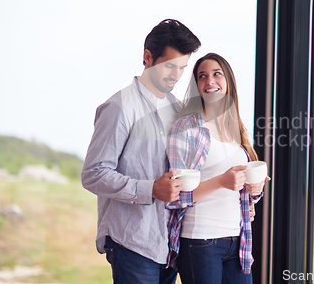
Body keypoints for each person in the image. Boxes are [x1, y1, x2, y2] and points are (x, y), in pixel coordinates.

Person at [81, 19, 201, 284]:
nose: (176, 75)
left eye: (182, 67)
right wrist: (150, 189)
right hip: (132, 243)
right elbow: (93, 174)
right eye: (169, 65)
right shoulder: (119, 108)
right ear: (147, 57)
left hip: (169, 245)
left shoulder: (178, 109)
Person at [165, 53, 269, 284]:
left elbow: (243, 194)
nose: (210, 81)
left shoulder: (236, 130)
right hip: (200, 240)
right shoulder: (186, 128)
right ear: (196, 86)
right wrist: (221, 182)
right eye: (202, 76)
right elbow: (173, 196)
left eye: (216, 74)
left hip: (238, 240)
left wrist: (255, 188)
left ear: (228, 81)